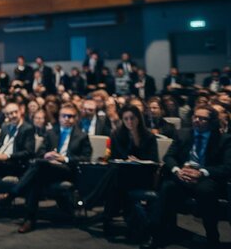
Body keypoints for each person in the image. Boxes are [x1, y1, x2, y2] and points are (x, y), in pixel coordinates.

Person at [142, 105, 231, 248]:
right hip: (182, 176)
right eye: (195, 117)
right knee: (167, 187)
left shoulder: (223, 139)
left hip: (206, 179)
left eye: (203, 119)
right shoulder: (183, 134)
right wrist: (178, 171)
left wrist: (201, 172)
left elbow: (227, 167)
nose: (197, 120)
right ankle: (157, 236)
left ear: (211, 121)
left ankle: (212, 237)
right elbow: (169, 156)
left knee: (206, 191)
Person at [1, 103, 92, 234]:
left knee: (38, 166)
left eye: (70, 116)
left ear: (76, 118)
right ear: (59, 117)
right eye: (64, 116)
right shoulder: (51, 133)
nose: (67, 119)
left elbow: (86, 158)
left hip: (67, 170)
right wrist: (46, 154)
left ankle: (12, 195)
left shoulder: (82, 136)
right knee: (37, 177)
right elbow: (40, 153)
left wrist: (64, 159)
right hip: (48, 168)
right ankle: (29, 220)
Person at [84, 106, 158, 237]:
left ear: (138, 119)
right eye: (126, 119)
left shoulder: (149, 137)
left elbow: (154, 162)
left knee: (116, 175)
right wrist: (127, 161)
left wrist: (138, 160)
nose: (129, 121)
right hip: (123, 174)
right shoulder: (117, 135)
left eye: (132, 118)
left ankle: (94, 203)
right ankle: (110, 216)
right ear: (122, 120)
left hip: (143, 176)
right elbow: (114, 158)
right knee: (117, 173)